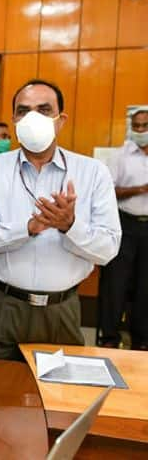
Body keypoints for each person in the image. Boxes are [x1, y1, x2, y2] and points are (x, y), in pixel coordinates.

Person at [0, 79, 121, 361]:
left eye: (44, 110)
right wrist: (27, 228)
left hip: (62, 309)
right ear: (14, 120)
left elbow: (108, 249)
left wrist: (69, 226)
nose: (32, 118)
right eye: (23, 111)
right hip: (0, 306)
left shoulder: (93, 172)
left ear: (61, 121)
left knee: (58, 400)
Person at [97, 108, 148, 350]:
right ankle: (109, 337)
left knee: (145, 285)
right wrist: (140, 189)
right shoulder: (121, 156)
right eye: (136, 126)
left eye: (144, 126)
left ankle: (141, 340)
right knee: (115, 284)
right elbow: (108, 190)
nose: (140, 131)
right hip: (124, 223)